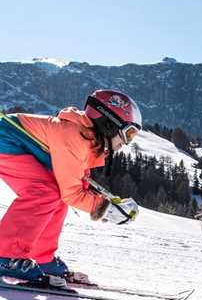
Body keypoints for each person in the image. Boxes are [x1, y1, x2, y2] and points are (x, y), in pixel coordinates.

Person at [0, 89, 142, 283]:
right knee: (44, 193)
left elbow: (75, 184)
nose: (127, 142)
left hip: (14, 144)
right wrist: (106, 209)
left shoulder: (86, 139)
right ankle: (6, 257)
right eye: (128, 133)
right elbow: (73, 194)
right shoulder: (74, 136)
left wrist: (108, 202)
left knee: (55, 195)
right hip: (5, 140)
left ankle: (43, 260)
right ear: (109, 124)